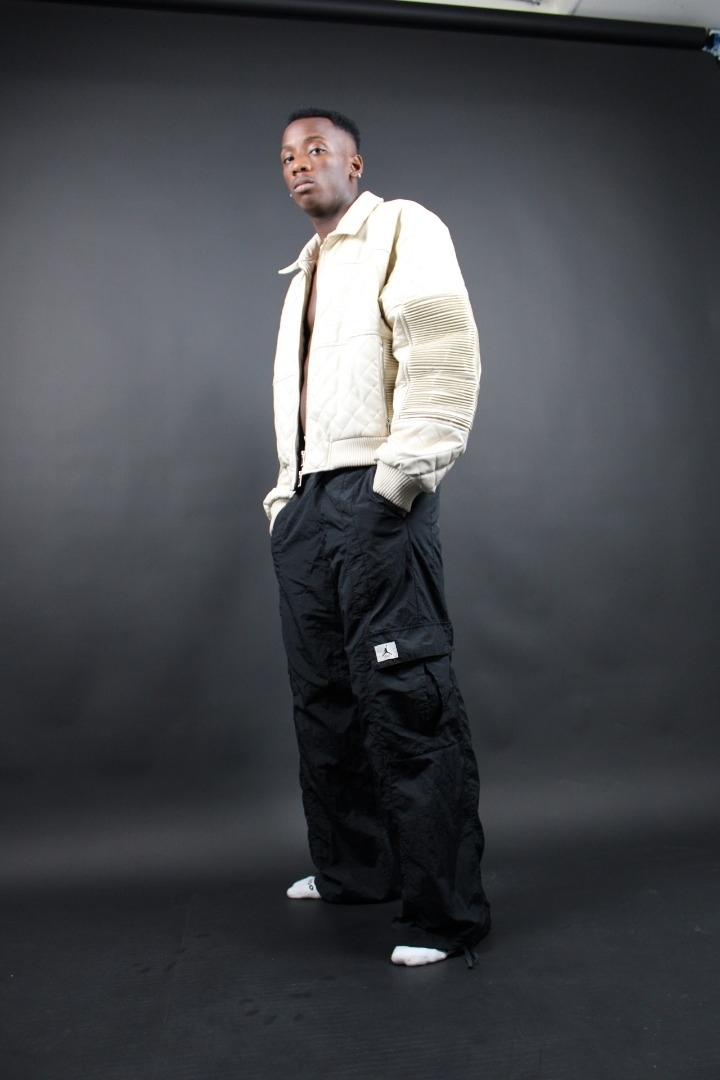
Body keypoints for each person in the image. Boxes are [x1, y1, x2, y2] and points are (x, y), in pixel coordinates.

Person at [265, 108, 491, 967]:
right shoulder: (306, 269)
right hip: (308, 502)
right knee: (323, 695)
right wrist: (285, 496)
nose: (300, 165)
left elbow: (443, 349)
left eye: (316, 149)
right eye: (288, 156)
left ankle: (445, 914)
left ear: (354, 164)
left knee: (405, 694)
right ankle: (356, 869)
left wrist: (398, 481)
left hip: (376, 492)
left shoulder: (402, 226)